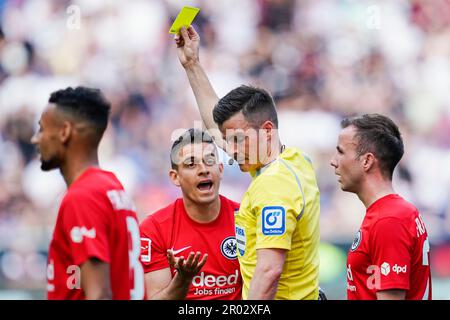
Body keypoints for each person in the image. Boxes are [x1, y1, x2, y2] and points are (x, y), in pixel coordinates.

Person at [174, 26, 320, 300]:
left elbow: (269, 271)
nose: (230, 149)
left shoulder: (273, 186)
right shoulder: (294, 160)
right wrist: (192, 64)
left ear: (266, 131)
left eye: (238, 140)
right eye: (229, 140)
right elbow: (218, 128)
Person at [31, 86, 144, 300]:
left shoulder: (83, 196)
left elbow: (99, 294)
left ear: (64, 132)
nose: (35, 139)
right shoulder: (112, 187)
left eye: (42, 129)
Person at [330, 113, 432, 300]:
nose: (333, 161)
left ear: (367, 161)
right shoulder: (393, 213)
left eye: (341, 152)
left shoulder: (389, 220)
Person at [139, 128, 242, 300]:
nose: (203, 169)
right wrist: (183, 279)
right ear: (175, 177)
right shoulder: (153, 230)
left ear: (221, 169)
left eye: (210, 161)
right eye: (191, 164)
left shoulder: (245, 218)